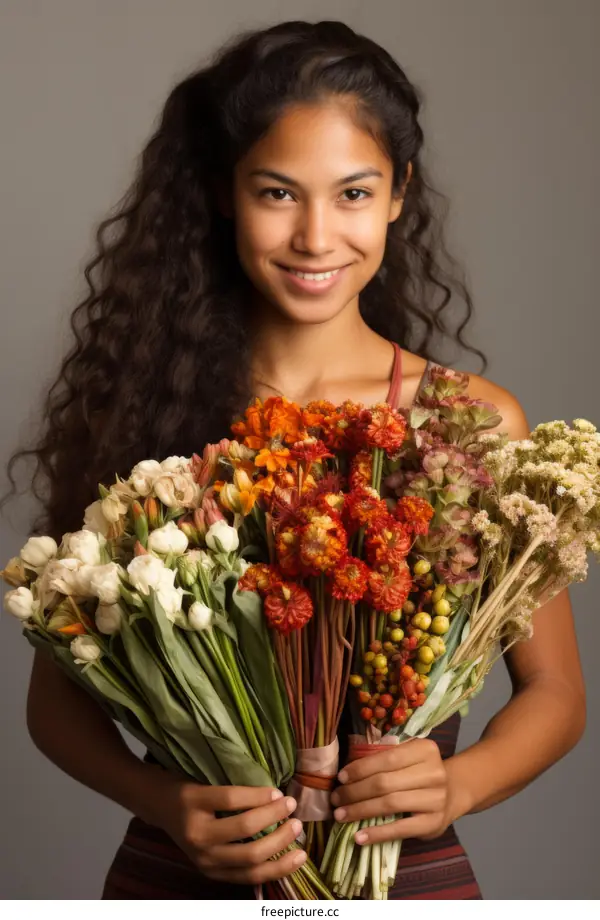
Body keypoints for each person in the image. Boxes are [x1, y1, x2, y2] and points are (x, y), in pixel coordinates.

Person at [5, 19, 585, 900]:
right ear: (221, 194)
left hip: (405, 877)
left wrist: (456, 784)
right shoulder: (148, 415)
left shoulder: (470, 423)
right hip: (180, 878)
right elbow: (59, 701)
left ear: (399, 194)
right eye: (278, 193)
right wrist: (163, 800)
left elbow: (556, 695)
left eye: (354, 193)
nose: (317, 236)